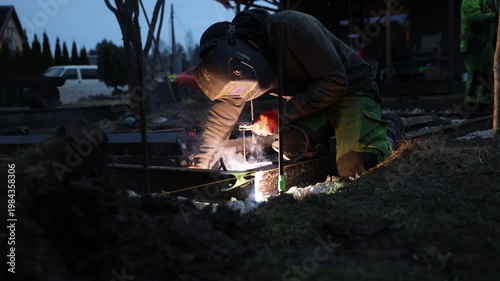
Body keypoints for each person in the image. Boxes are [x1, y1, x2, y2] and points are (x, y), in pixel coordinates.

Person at [190, 9, 403, 180]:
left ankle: (389, 129)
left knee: (356, 167)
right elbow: (221, 117)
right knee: (289, 145)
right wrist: (201, 164)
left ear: (239, 50)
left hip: (350, 90)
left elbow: (335, 81)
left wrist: (283, 114)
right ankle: (330, 144)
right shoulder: (239, 67)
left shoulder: (295, 28)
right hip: (313, 101)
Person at [460, 0, 498, 109]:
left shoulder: (490, 1)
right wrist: (496, 16)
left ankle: (483, 102)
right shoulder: (470, 1)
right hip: (473, 41)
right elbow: (475, 17)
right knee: (475, 73)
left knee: (488, 73)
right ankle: (471, 102)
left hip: (487, 42)